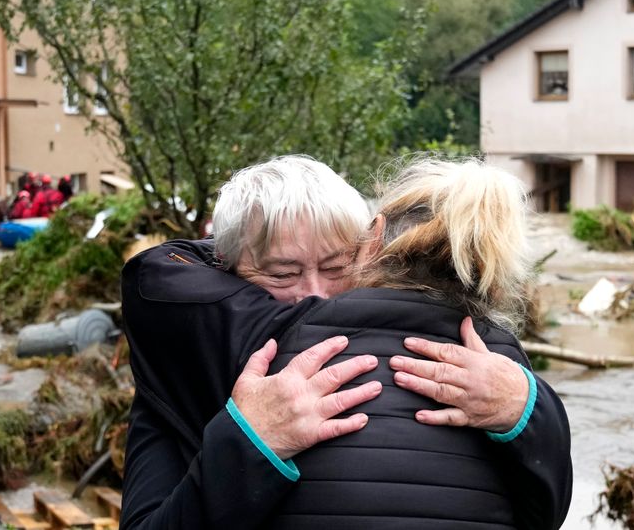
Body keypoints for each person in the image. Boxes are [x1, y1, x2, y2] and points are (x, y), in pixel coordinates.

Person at [121, 156, 571, 529]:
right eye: (282, 274)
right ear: (223, 270)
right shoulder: (186, 355)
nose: (313, 293)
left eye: (336, 267)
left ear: (370, 248)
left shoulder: (487, 367)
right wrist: (250, 442)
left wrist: (524, 406)